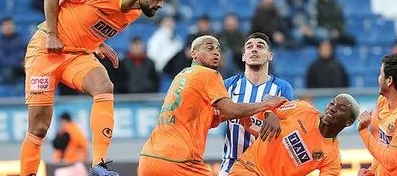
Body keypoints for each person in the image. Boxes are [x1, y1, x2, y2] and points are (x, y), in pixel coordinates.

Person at [20, 0, 175, 176]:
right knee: (39, 128)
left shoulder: (134, 12)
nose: (160, 4)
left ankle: (98, 165)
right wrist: (53, 34)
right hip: (47, 51)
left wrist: (98, 44)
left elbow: (87, 20)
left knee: (103, 86)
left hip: (77, 55)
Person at [138, 35, 287, 176]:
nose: (216, 52)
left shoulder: (182, 75)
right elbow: (231, 110)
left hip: (149, 158)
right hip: (179, 159)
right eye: (209, 48)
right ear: (193, 53)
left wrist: (244, 115)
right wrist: (266, 104)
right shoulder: (209, 75)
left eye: (218, 49)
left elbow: (208, 117)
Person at [229, 94, 361, 176]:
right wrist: (270, 114)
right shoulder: (302, 109)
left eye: (341, 108)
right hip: (249, 168)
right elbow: (269, 99)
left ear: (349, 122)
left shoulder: (332, 157)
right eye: (332, 103)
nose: (333, 108)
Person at [219, 32, 294, 175]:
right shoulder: (227, 85)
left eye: (260, 46)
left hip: (266, 169)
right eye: (249, 46)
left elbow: (287, 128)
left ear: (270, 56)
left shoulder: (282, 88)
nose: (254, 49)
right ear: (243, 56)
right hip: (231, 165)